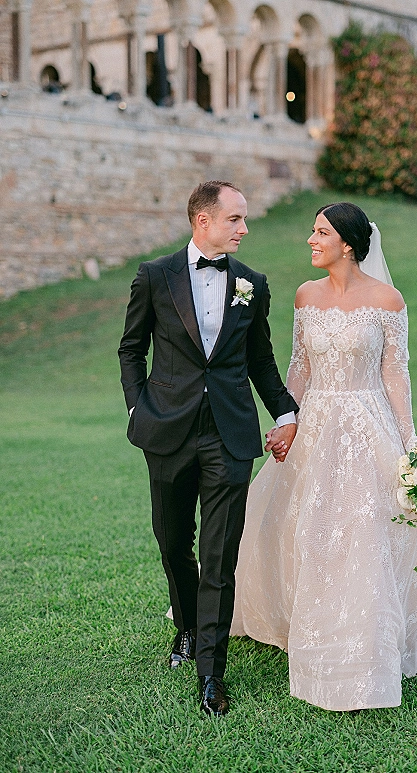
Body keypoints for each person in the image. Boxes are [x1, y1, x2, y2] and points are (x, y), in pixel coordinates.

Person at [231, 202, 417, 712]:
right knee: (304, 525)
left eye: (320, 232)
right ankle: (308, 618)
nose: (311, 240)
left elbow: (396, 377)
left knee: (370, 530)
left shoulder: (387, 300)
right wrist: (286, 421)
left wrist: (409, 444)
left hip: (369, 423)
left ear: (347, 245)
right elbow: (299, 368)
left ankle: (371, 634)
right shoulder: (305, 295)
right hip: (315, 425)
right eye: (312, 231)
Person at [118, 181, 298, 717]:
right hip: (166, 431)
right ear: (203, 220)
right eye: (236, 219)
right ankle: (187, 627)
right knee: (175, 543)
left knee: (220, 557)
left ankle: (211, 676)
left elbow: (261, 359)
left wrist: (285, 411)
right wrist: (136, 407)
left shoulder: (252, 284)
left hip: (230, 435)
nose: (245, 229)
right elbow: (131, 348)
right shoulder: (155, 275)